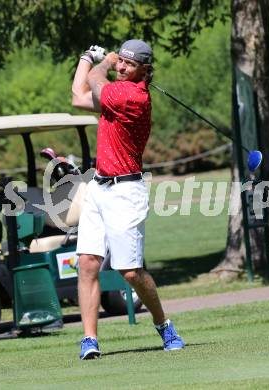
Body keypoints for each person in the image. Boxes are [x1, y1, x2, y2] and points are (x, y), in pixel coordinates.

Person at [72, 39, 185, 360]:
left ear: (143, 71)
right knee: (87, 262)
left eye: (128, 64)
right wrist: (85, 56)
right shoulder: (116, 95)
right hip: (98, 185)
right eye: (120, 61)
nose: (121, 67)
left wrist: (102, 61)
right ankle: (89, 339)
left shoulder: (133, 97)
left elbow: (94, 81)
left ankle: (164, 325)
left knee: (130, 271)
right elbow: (78, 95)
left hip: (126, 190)